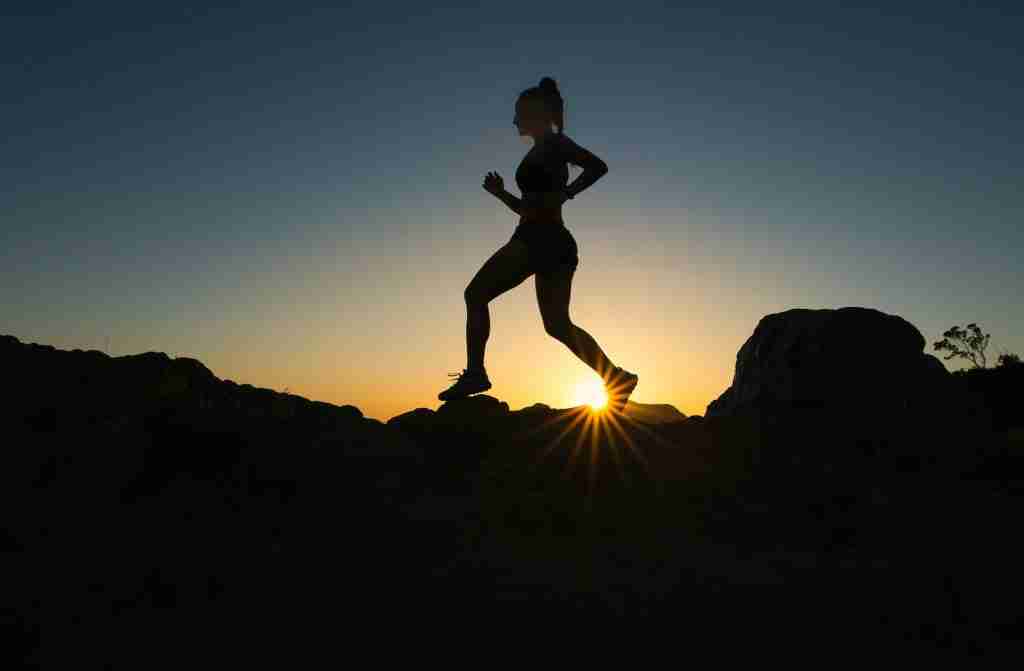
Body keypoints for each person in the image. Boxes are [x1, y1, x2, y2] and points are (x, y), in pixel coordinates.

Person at [438, 76, 638, 413]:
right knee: (557, 325)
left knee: (475, 294)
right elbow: (528, 208)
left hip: (537, 240)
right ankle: (616, 377)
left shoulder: (553, 144)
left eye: (518, 114)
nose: (514, 121)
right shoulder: (543, 149)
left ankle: (475, 374)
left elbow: (598, 166)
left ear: (533, 114)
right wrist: (502, 194)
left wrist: (568, 192)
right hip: (555, 243)